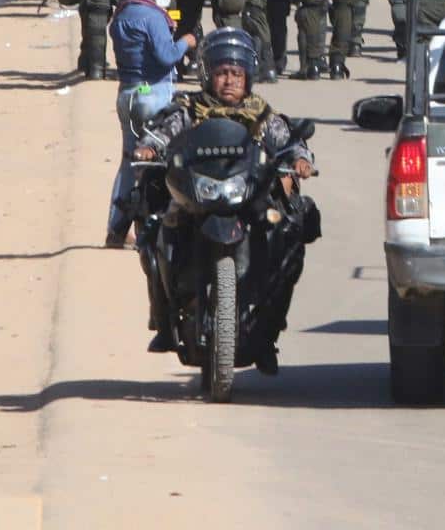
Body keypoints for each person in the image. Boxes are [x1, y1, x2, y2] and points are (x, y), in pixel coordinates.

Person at [130, 26, 315, 365]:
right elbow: (160, 133)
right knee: (156, 231)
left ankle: (269, 329)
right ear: (207, 75)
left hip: (248, 198)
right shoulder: (188, 108)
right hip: (196, 195)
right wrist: (147, 149)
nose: (229, 81)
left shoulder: (261, 114)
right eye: (220, 73)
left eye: (236, 73)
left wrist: (300, 160)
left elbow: (289, 142)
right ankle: (164, 319)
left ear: (248, 77)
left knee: (288, 237)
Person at [105, 0, 195, 246]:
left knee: (129, 163)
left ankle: (117, 229)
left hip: (128, 94)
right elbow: (167, 57)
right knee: (159, 162)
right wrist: (186, 42)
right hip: (153, 95)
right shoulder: (152, 17)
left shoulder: (120, 16)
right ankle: (154, 230)